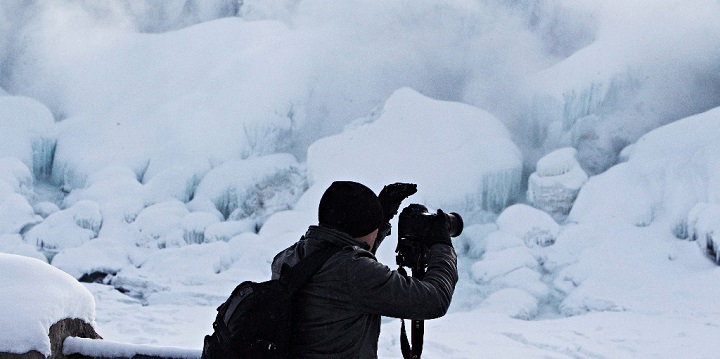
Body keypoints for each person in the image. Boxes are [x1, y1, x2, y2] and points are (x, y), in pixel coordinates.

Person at [271, 181, 458, 358]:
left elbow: (342, 268)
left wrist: (381, 217)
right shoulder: (353, 272)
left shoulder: (290, 257)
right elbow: (434, 300)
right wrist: (441, 244)